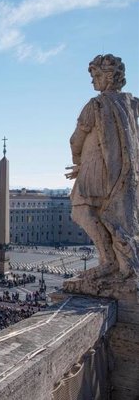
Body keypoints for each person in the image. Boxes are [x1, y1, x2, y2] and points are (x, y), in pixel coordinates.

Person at [66, 54, 139, 284]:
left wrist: (78, 161)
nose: (93, 82)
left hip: (95, 168)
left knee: (80, 210)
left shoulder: (95, 105)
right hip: (119, 172)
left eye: (96, 75)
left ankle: (108, 260)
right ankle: (116, 262)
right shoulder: (130, 105)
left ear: (108, 77)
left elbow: (76, 139)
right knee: (104, 214)